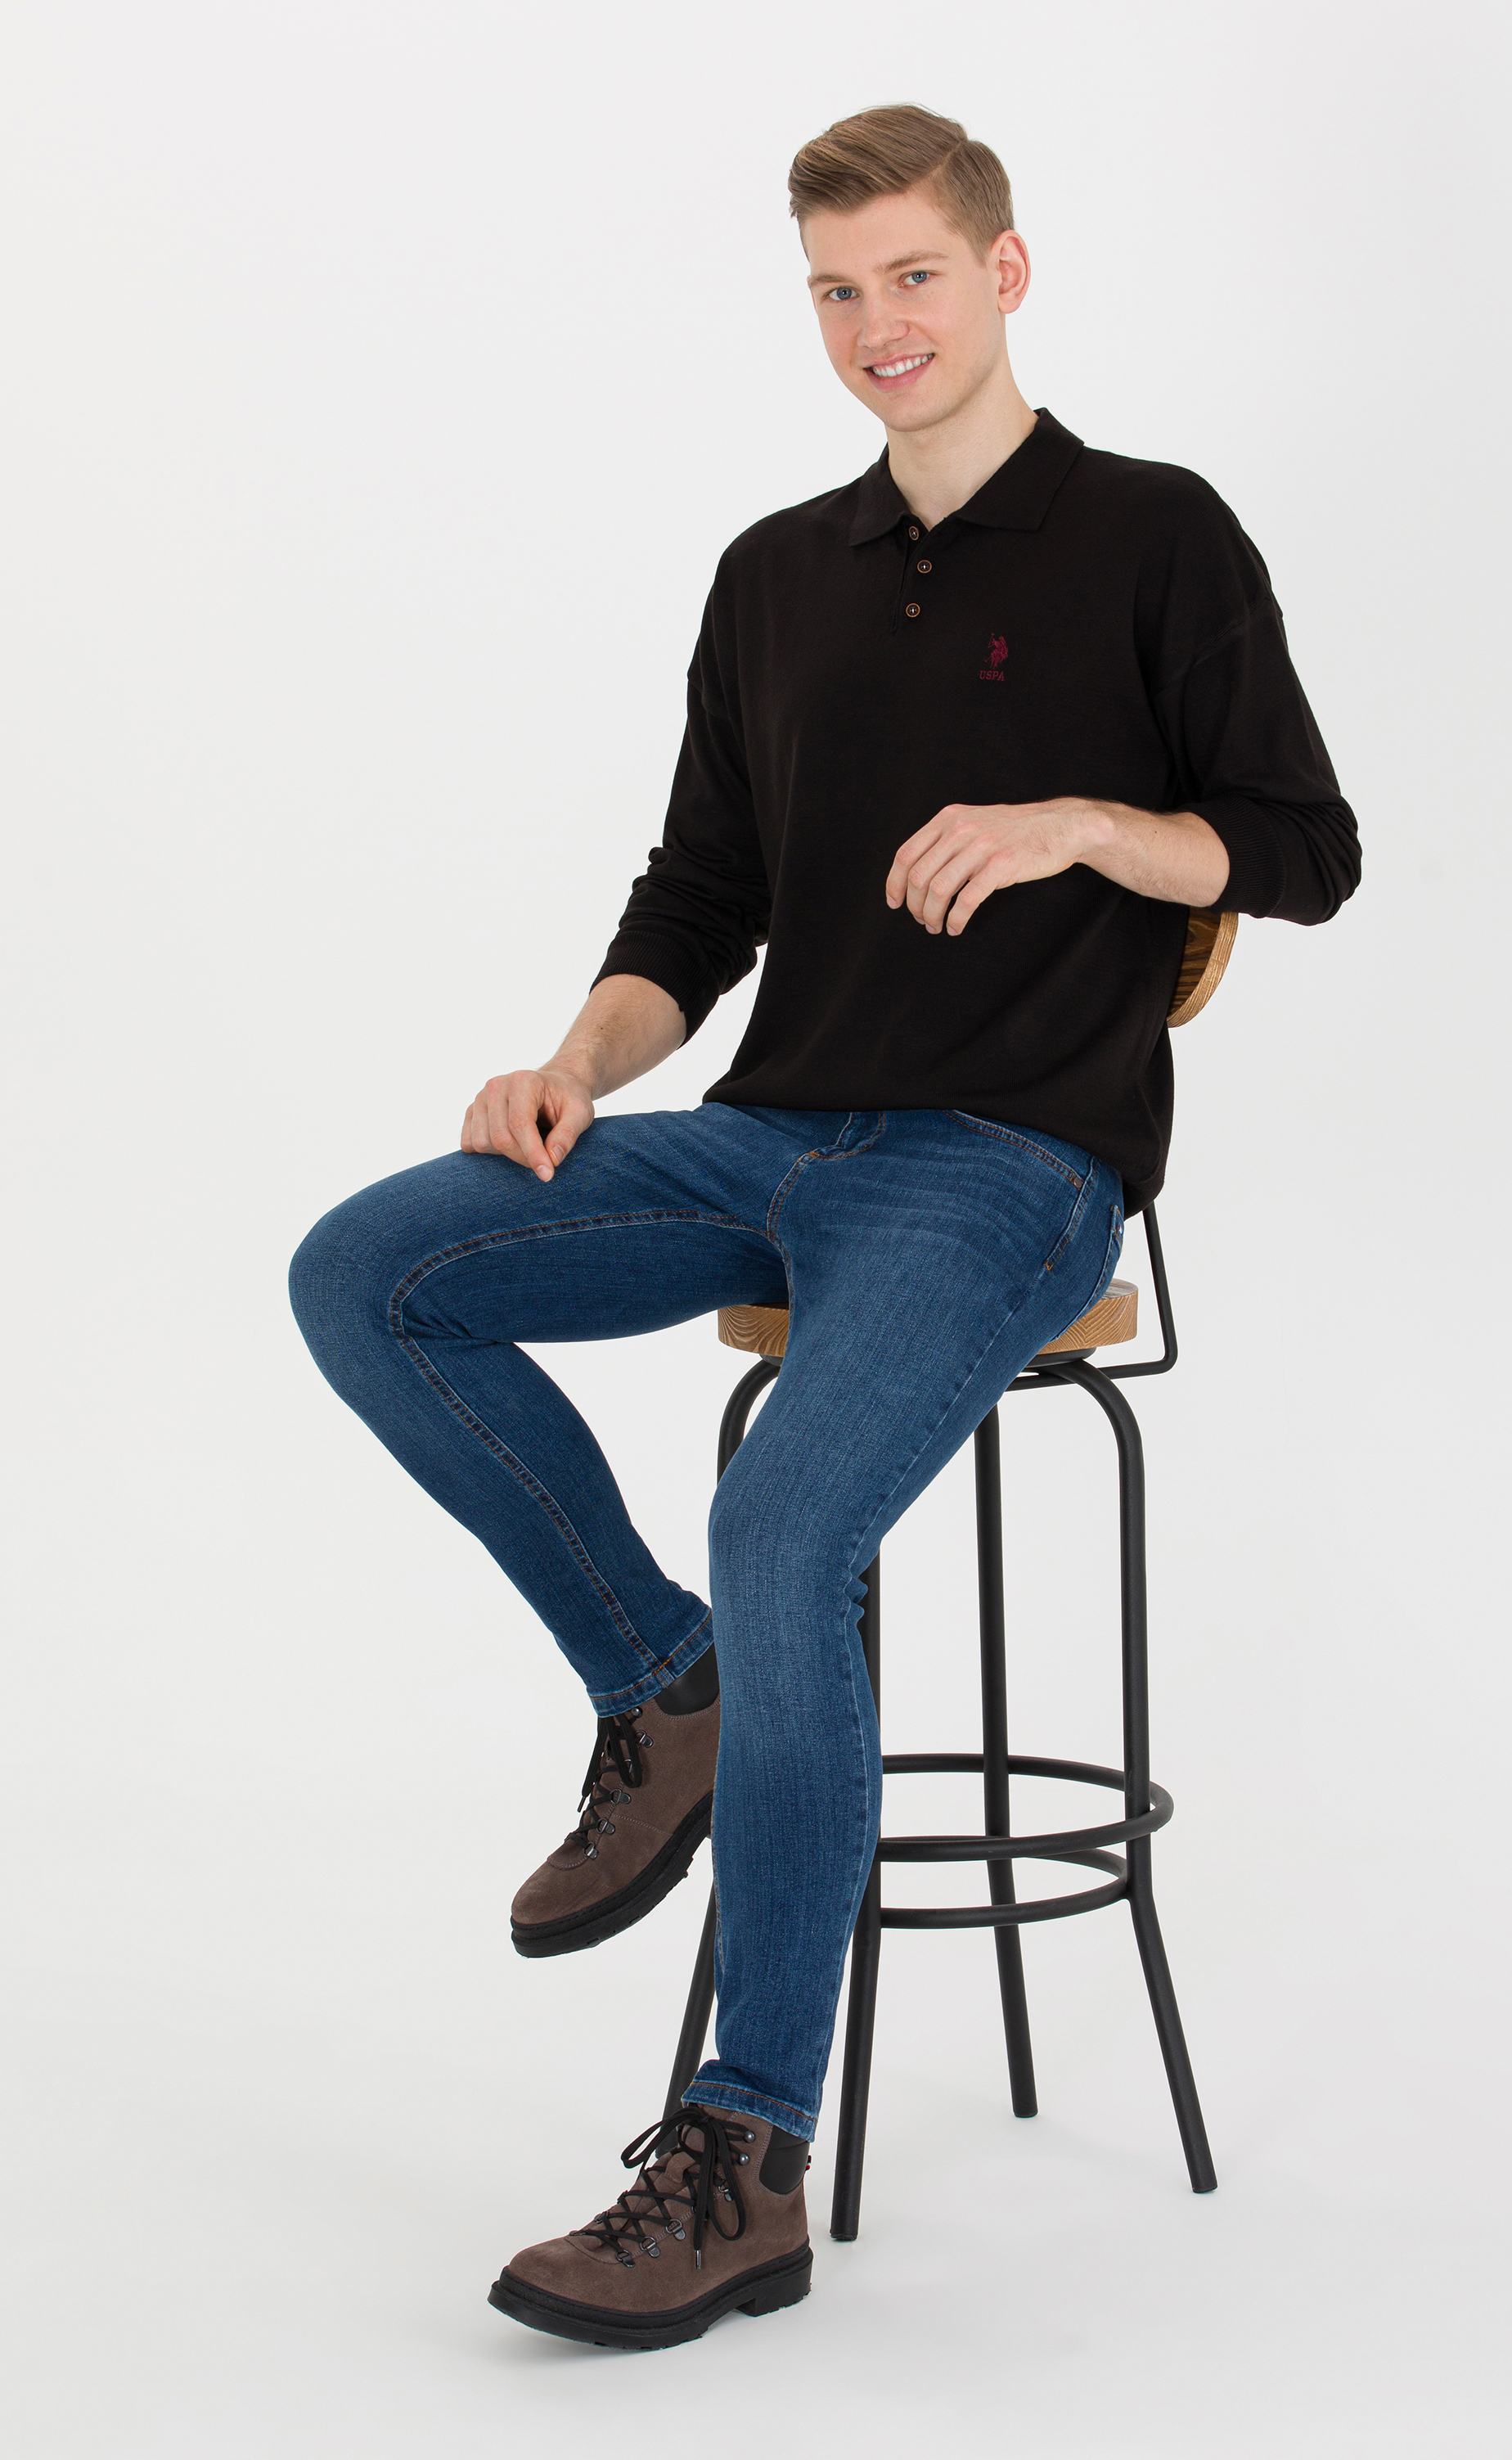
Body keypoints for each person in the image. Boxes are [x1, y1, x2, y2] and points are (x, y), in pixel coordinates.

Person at [289, 101, 1360, 2351]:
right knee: (371, 1269)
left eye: (914, 277)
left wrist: (1086, 823)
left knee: (788, 1525)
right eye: (838, 291)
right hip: (770, 1135)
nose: (879, 326)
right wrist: (581, 1061)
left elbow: (1299, 846)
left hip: (1011, 1163)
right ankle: (661, 1688)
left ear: (1004, 273)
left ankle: (741, 2155)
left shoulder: (1155, 535)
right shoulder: (775, 572)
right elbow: (701, 894)